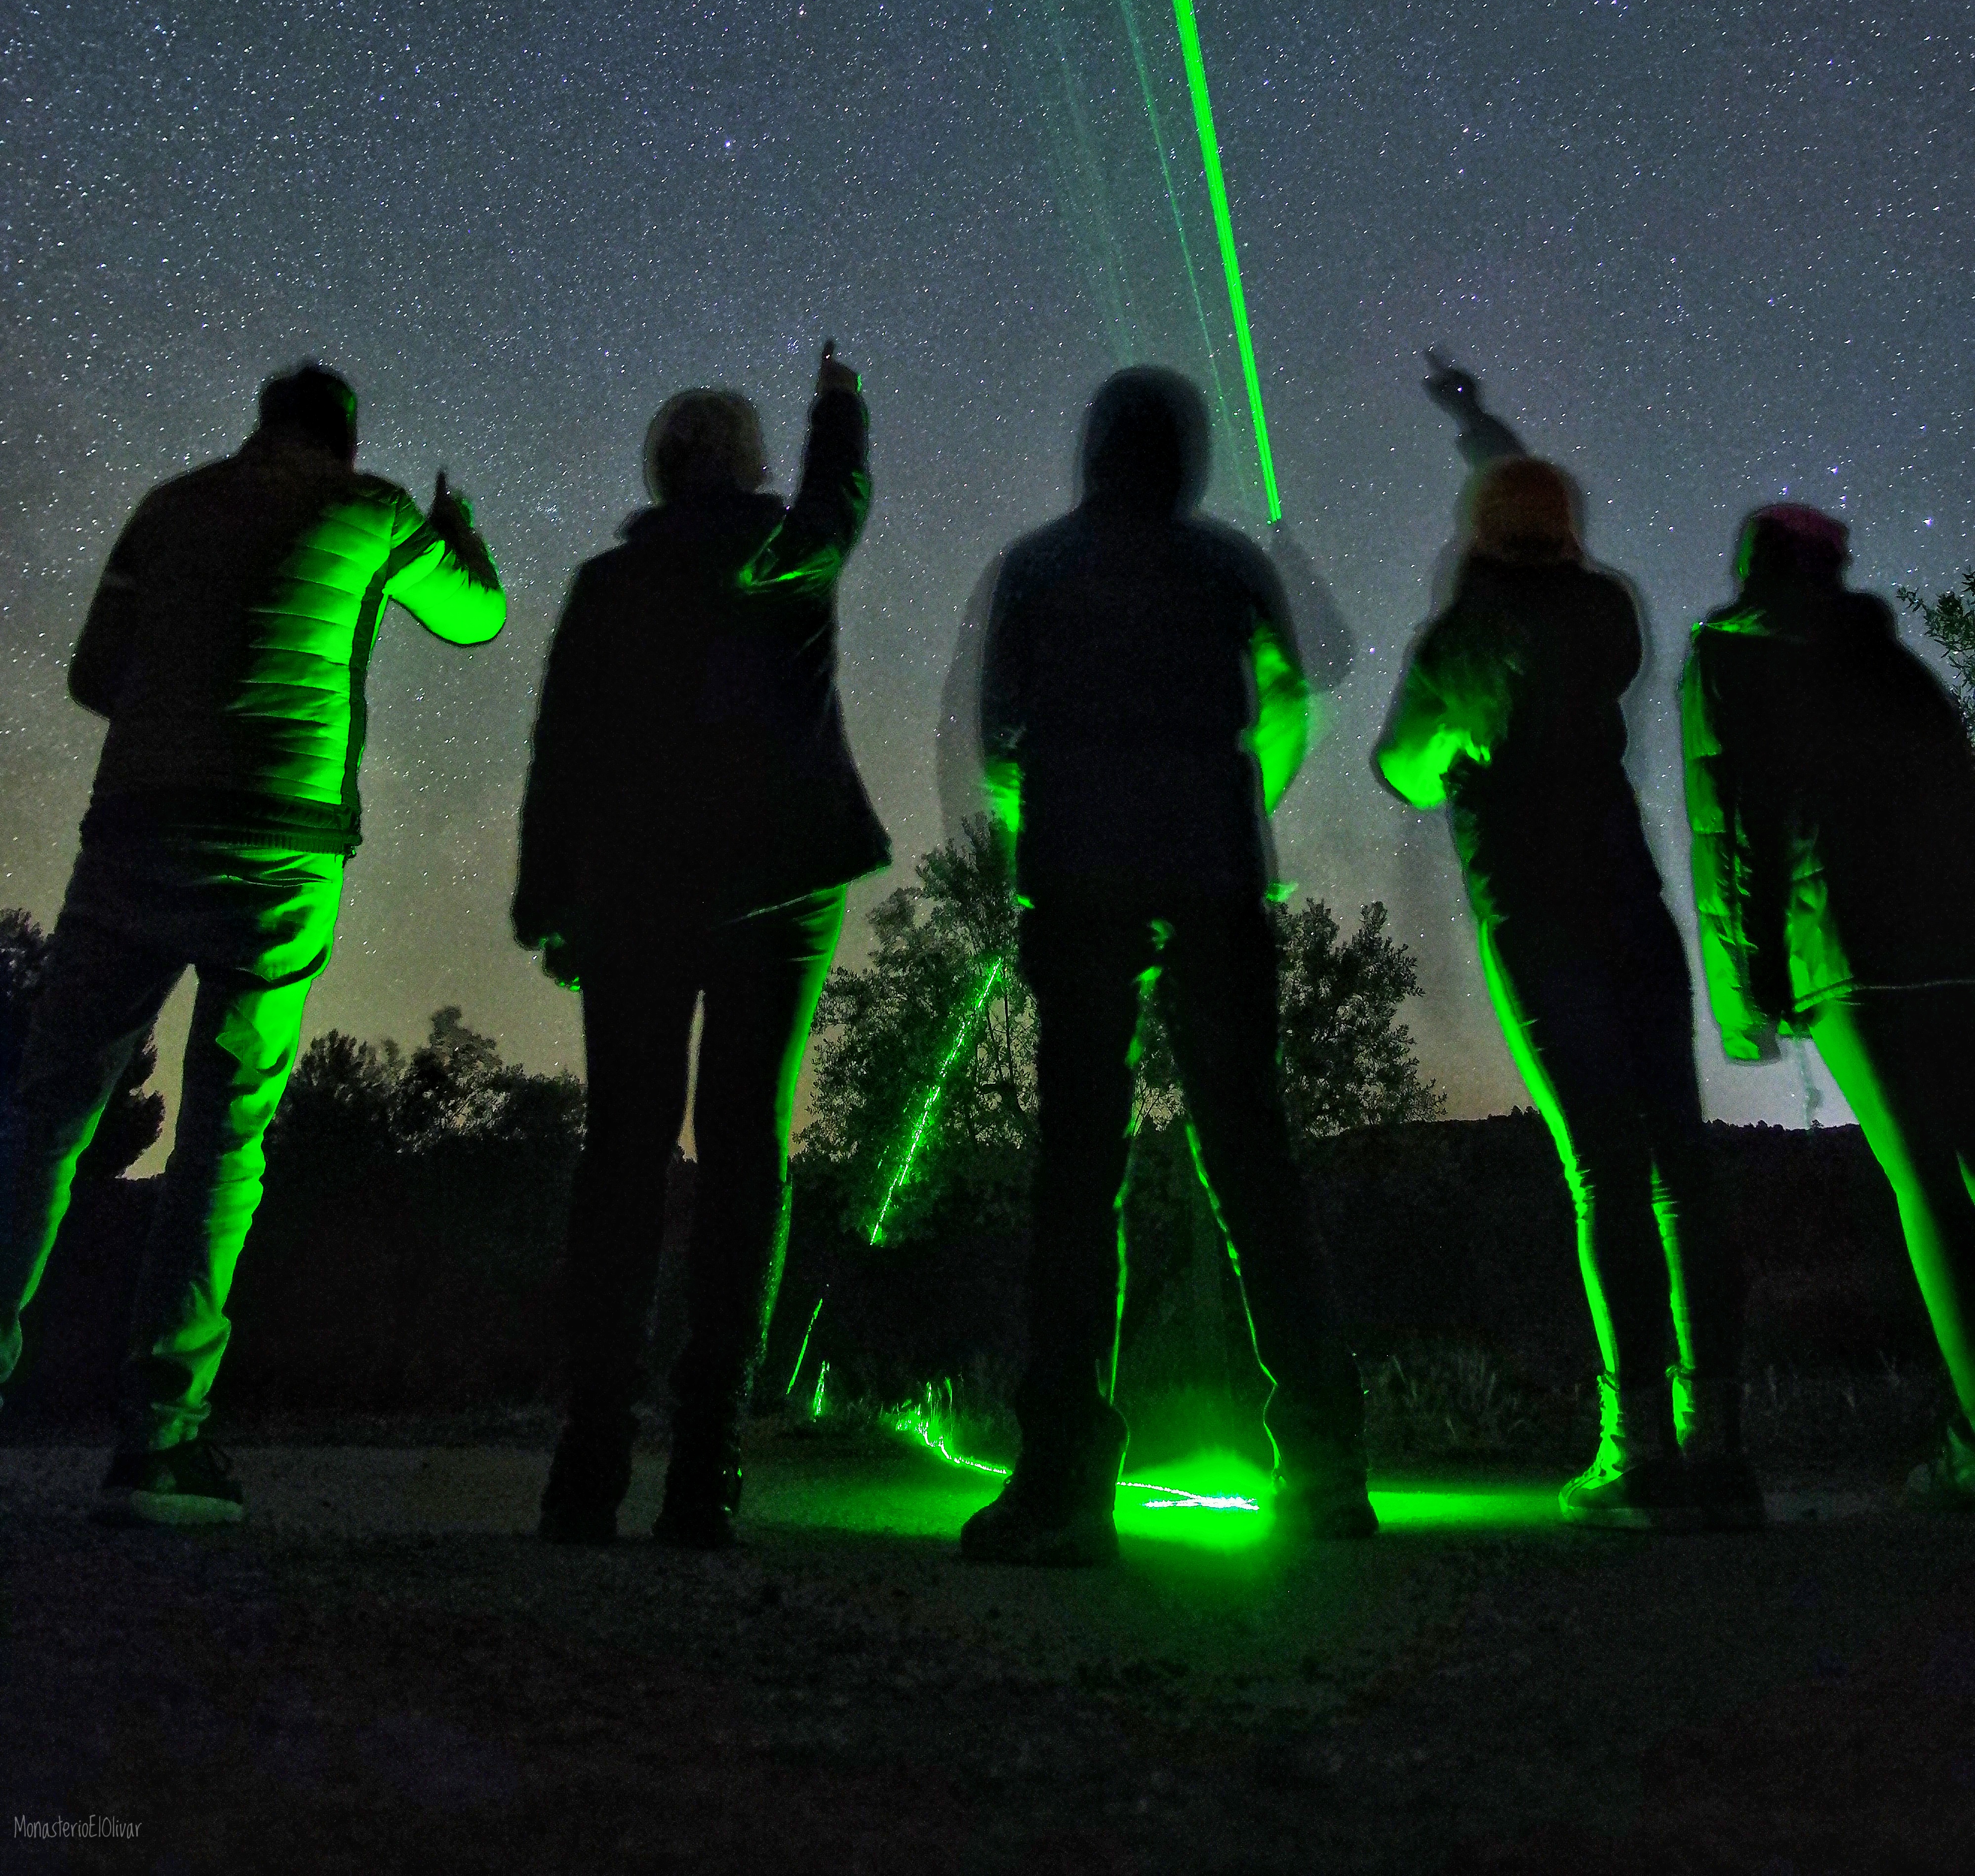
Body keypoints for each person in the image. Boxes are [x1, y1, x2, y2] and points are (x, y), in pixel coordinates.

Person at [0, 365, 505, 1524]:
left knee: (45, 1117)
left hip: (134, 834)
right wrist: (458, 533)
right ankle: (160, 1444)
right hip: (279, 851)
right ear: (345, 440)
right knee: (224, 1136)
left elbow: (92, 677)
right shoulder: (374, 514)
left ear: (261, 426)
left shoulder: (168, 509)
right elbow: (477, 619)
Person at [960, 366, 1371, 1567]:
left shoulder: (1033, 567)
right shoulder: (1231, 563)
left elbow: (997, 744)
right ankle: (1324, 1463)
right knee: (1252, 1155)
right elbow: (1289, 700)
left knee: (1076, 1170)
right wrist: (1245, 805)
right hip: (1215, 871)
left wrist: (1050, 813)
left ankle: (1063, 1477)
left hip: (1081, 872)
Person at [517, 341, 888, 1550]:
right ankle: (709, 1457)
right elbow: (839, 503)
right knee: (743, 1156)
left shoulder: (607, 585)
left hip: (632, 890)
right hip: (779, 884)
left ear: (661, 469)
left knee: (621, 1154)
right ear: (744, 462)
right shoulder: (783, 550)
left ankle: (590, 1454)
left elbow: (560, 742)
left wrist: (546, 894)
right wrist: (838, 407)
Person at [1374, 444, 1757, 1530]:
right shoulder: (1607, 612)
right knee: (1683, 1166)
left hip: (1534, 916)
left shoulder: (1460, 639)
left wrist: (1456, 745)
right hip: (1629, 901)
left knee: (1605, 1174)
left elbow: (1402, 764)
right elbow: (1607, 669)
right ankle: (1717, 1449)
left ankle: (1631, 1454)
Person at [1683, 503, 1975, 1510]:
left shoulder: (1727, 656)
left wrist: (1743, 992)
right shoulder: (1890, 662)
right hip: (1957, 942)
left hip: (1846, 948)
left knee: (1926, 1187)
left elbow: (1728, 825)